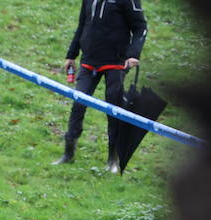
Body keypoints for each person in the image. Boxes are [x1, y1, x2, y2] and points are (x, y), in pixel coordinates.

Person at [55, 0, 148, 172]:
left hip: (115, 63)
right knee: (78, 105)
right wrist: (71, 55)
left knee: (114, 111)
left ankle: (113, 159)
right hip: (89, 60)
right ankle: (68, 153)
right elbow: (82, 23)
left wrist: (134, 54)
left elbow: (140, 27)